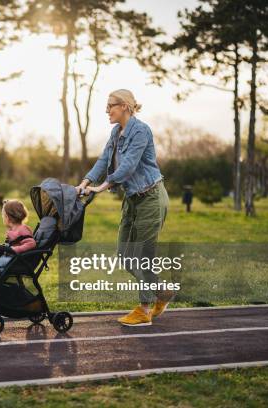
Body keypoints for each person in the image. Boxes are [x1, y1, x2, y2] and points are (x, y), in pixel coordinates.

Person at [75, 89, 172, 327]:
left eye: (111, 106)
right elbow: (103, 160)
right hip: (132, 199)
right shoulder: (116, 133)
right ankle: (163, 292)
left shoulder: (140, 131)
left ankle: (145, 309)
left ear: (126, 107)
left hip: (150, 197)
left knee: (144, 257)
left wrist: (103, 187)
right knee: (125, 255)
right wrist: (86, 182)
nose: (107, 110)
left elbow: (128, 166)